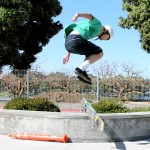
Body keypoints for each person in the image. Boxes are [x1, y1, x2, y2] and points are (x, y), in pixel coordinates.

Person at [63, 13, 113, 85]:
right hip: (76, 39)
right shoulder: (99, 26)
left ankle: (81, 73)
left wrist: (67, 55)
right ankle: (80, 69)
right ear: (106, 31)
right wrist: (78, 14)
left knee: (91, 53)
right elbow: (90, 16)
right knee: (99, 52)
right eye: (107, 38)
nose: (105, 40)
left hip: (68, 43)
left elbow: (71, 39)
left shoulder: (91, 31)